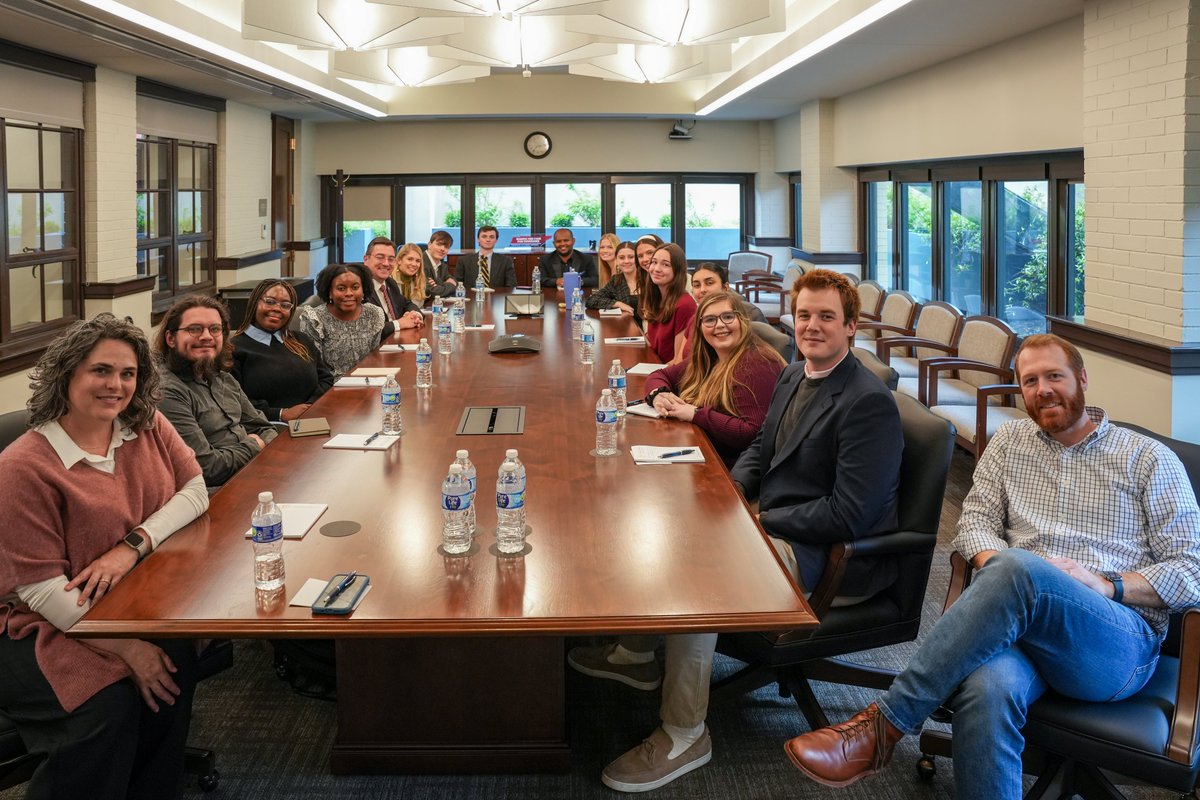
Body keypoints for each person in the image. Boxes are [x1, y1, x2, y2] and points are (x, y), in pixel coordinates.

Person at [783, 333, 1200, 800]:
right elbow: (973, 526)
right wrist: (1007, 573)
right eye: (1030, 381)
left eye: (1054, 376)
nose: (1042, 389)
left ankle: (884, 725)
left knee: (1019, 571)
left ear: (1082, 379)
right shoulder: (1009, 442)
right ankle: (888, 733)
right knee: (985, 689)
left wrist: (1104, 586)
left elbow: (1191, 571)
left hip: (1116, 643)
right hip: (1017, 626)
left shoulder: (1147, 459)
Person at [569, 268, 903, 793]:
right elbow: (760, 447)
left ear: (852, 326)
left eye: (826, 317)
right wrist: (731, 490)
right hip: (771, 514)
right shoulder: (797, 373)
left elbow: (849, 514)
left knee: (702, 574)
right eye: (805, 315)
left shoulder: (867, 402)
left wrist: (759, 518)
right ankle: (636, 655)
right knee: (679, 524)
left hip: (824, 551)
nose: (812, 326)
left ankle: (684, 733)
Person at [0, 314, 209, 799]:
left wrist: (129, 548)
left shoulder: (147, 424)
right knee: (107, 704)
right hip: (34, 620)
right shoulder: (23, 467)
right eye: (100, 371)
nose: (116, 385)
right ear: (67, 374)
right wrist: (126, 647)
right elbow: (38, 587)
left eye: (128, 373)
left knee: (176, 661)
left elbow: (195, 490)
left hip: (127, 597)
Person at [644, 290, 785, 467]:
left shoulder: (757, 364)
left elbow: (751, 433)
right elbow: (660, 375)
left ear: (742, 320)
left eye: (727, 317)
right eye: (710, 320)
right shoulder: (709, 358)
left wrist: (695, 414)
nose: (719, 325)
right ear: (700, 328)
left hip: (732, 470)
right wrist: (659, 394)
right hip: (703, 451)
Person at [156, 295, 279, 489]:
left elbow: (262, 428)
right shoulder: (168, 391)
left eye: (214, 329)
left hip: (255, 473)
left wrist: (267, 446)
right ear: (171, 338)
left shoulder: (223, 378)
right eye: (194, 329)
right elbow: (206, 468)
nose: (206, 336)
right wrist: (254, 445)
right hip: (217, 493)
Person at [231, 278, 334, 423]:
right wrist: (280, 414)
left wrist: (310, 406)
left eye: (285, 305)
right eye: (270, 302)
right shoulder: (234, 349)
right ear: (255, 303)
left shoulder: (301, 340)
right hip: (266, 425)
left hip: (312, 419)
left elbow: (326, 379)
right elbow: (233, 399)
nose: (277, 309)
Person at [296, 263, 386, 378]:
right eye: (341, 288)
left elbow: (374, 359)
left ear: (363, 289)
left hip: (368, 382)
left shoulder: (374, 314)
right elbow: (315, 368)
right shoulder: (314, 319)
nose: (349, 293)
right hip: (329, 386)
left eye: (355, 287)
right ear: (330, 292)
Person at [641, 243, 697, 365]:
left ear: (678, 271)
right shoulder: (656, 298)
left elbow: (678, 361)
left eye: (665, 265)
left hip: (670, 377)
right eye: (654, 262)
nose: (656, 269)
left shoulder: (685, 305)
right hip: (656, 366)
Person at [361, 235, 424, 338]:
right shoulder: (359, 288)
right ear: (366, 259)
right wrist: (399, 323)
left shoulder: (390, 283)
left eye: (391, 259)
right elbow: (365, 330)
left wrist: (415, 314)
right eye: (380, 257)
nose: (386, 263)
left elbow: (407, 303)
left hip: (397, 342)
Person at [691, 262, 768, 323]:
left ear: (725, 287)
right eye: (697, 285)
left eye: (709, 283)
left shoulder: (750, 314)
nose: (702, 290)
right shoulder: (694, 315)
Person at [586, 240, 642, 314]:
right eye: (621, 258)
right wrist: (617, 304)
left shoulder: (648, 279)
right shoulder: (616, 280)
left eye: (631, 257)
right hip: (626, 323)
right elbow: (591, 300)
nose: (626, 261)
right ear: (617, 260)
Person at [423, 230, 458, 297]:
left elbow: (454, 280)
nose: (442, 249)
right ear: (429, 245)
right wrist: (449, 285)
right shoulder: (420, 263)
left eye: (446, 247)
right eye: (439, 244)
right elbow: (433, 292)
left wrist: (438, 286)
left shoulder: (442, 265)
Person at [394, 242, 429, 307]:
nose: (414, 264)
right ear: (399, 260)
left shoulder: (419, 281)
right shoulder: (390, 281)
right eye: (410, 259)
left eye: (418, 261)